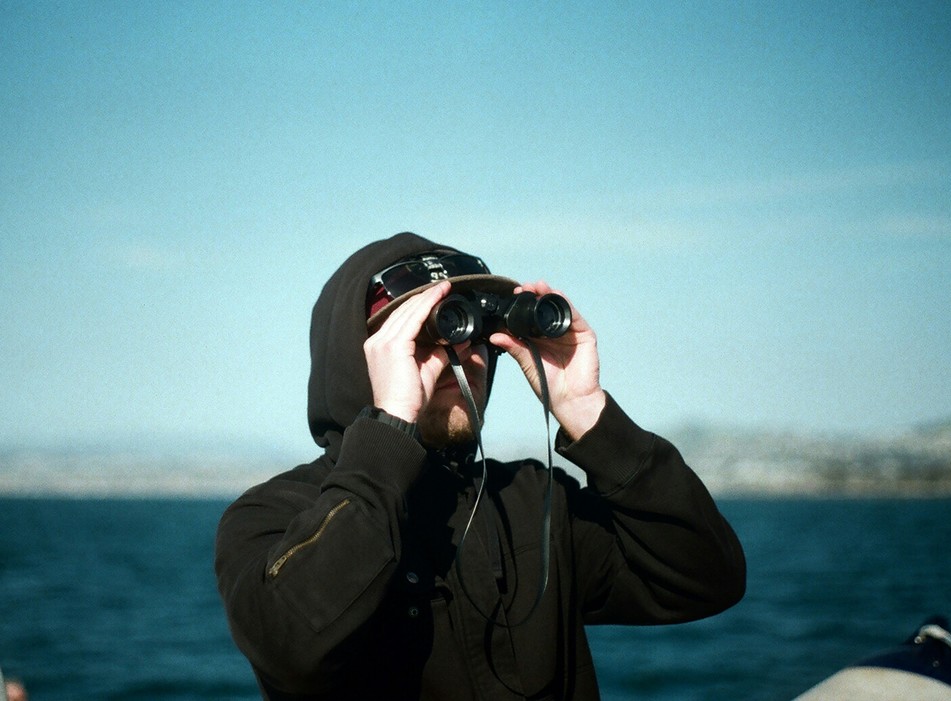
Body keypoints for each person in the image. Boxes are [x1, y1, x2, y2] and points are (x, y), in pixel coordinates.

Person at [215, 232, 746, 700]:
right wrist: (388, 426)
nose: (459, 351)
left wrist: (589, 412)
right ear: (360, 360)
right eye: (428, 332)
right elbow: (293, 648)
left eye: (473, 327)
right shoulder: (271, 517)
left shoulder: (534, 503)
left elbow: (706, 578)